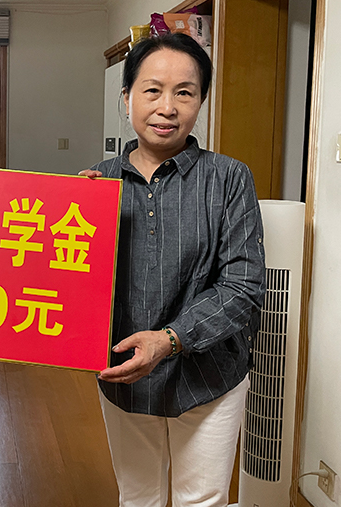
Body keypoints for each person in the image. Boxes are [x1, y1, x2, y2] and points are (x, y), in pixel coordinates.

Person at [80, 33, 266, 507]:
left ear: (201, 101)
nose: (167, 107)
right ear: (127, 98)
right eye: (152, 90)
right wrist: (74, 217)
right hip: (124, 372)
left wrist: (168, 340)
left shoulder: (229, 177)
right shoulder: (96, 183)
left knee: (201, 500)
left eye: (184, 92)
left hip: (210, 374)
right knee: (137, 497)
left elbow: (244, 286)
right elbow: (65, 287)